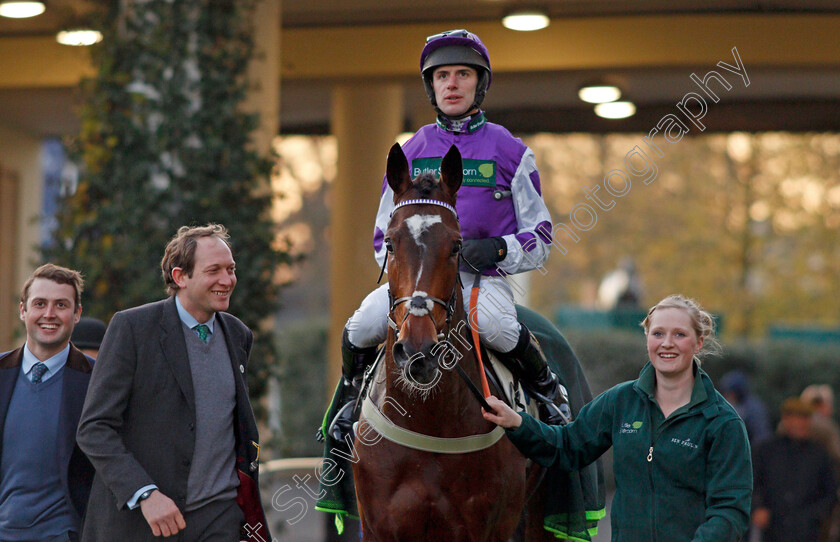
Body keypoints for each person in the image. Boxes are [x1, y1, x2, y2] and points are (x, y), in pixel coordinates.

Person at [330, 28, 565, 439]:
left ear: (480, 84)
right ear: (431, 86)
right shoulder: (411, 149)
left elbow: (541, 236)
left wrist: (495, 249)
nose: (452, 84)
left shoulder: (511, 151)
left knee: (496, 326)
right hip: (415, 283)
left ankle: (548, 392)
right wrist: (414, 269)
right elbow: (380, 240)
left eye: (462, 74)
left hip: (482, 281)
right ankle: (350, 402)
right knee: (362, 323)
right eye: (442, 76)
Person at [483, 294, 753, 541]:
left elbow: (730, 511)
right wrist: (518, 422)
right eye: (658, 333)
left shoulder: (722, 422)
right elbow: (568, 446)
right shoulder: (621, 401)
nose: (667, 343)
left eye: (679, 334)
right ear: (647, 338)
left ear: (699, 342)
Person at [76, 224, 271, 542]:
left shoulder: (239, 335)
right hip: (144, 521)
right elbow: (94, 428)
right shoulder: (132, 329)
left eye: (231, 269)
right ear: (180, 277)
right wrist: (144, 493)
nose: (227, 280)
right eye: (214, 271)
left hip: (219, 517)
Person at [0, 263, 95, 541]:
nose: (49, 314)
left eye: (61, 305)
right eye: (40, 303)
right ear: (23, 310)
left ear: (76, 314)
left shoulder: (97, 381)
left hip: (65, 534)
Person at [751, 397, 838, 542]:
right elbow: (753, 481)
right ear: (786, 419)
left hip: (807, 532)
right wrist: (758, 507)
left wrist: (813, 516)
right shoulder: (766, 450)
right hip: (772, 529)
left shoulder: (819, 454)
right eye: (797, 418)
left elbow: (830, 492)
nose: (801, 424)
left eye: (805, 418)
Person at [720, 369, 772, 446]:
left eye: (731, 393)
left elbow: (761, 435)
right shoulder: (730, 405)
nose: (728, 396)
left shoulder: (753, 408)